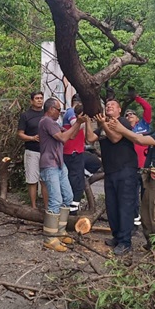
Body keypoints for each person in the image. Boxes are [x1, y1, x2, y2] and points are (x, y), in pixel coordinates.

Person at [108, 108, 155, 255]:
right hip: (152, 181)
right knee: (147, 215)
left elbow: (139, 140)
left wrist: (121, 129)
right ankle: (154, 245)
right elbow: (138, 136)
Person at [38, 98, 88, 252]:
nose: (60, 113)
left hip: (59, 164)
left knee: (68, 196)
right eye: (58, 110)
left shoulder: (54, 123)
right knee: (55, 200)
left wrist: (79, 123)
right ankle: (49, 238)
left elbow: (71, 135)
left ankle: (60, 232)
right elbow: (63, 138)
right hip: (50, 165)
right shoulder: (47, 121)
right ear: (50, 109)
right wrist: (78, 122)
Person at [94, 98, 140, 256]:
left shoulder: (122, 122)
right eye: (107, 105)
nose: (109, 106)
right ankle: (117, 236)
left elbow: (115, 138)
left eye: (112, 105)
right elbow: (90, 138)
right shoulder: (103, 124)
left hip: (125, 169)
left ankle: (125, 242)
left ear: (119, 109)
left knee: (125, 206)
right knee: (112, 206)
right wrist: (85, 122)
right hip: (110, 171)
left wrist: (103, 124)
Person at [62, 95, 98, 213]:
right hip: (71, 151)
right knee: (76, 183)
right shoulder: (71, 112)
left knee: (95, 162)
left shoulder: (79, 114)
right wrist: (86, 121)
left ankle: (84, 173)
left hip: (79, 150)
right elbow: (75, 125)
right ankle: (72, 208)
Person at [124, 89, 152, 229]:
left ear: (137, 118)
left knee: (146, 196)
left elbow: (148, 108)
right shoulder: (124, 130)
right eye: (127, 115)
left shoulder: (144, 125)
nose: (129, 116)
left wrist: (137, 97)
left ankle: (148, 223)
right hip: (132, 167)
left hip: (145, 166)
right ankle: (135, 222)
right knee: (133, 196)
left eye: (132, 114)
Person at [17, 91, 48, 209]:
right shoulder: (25, 116)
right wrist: (32, 138)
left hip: (46, 152)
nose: (39, 100)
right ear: (31, 101)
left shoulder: (46, 114)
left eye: (41, 98)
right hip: (32, 151)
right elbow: (20, 134)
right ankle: (33, 206)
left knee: (45, 180)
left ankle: (47, 207)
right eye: (37, 98)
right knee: (32, 180)